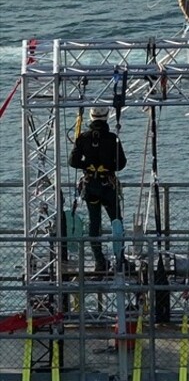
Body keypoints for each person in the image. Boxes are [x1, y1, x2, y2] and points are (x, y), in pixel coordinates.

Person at [68, 106, 128, 273]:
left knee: (94, 224)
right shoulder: (112, 138)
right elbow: (121, 163)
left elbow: (73, 161)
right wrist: (107, 166)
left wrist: (88, 166)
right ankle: (120, 259)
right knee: (116, 221)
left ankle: (99, 261)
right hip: (107, 186)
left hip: (91, 186)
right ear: (107, 116)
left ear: (91, 116)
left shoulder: (83, 138)